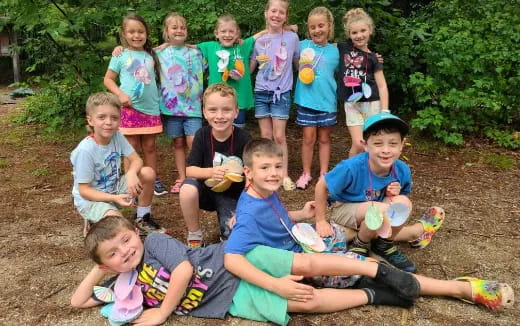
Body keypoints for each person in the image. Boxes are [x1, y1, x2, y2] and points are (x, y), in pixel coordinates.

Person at [222, 138, 514, 324]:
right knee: (370, 265)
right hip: (304, 261)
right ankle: (460, 288)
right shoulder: (247, 214)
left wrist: (301, 214)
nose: (273, 173)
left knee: (348, 226)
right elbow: (231, 258)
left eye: (277, 166)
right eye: (264, 168)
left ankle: (410, 232)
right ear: (248, 172)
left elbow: (275, 219)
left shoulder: (263, 192)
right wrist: (275, 285)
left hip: (305, 239)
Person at [71, 216, 514, 326]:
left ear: (137, 233)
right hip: (228, 300)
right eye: (114, 252)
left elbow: (185, 270)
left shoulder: (156, 245)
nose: (126, 251)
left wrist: (163, 312)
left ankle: (454, 287)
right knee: (304, 302)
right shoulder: (122, 285)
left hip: (233, 262)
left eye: (127, 239)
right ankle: (377, 293)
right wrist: (99, 269)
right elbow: (79, 301)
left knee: (307, 263)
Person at [314, 112, 444, 273]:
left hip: (376, 216)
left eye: (393, 143)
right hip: (345, 210)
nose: (386, 150)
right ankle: (362, 245)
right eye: (378, 143)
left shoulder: (402, 170)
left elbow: (396, 207)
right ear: (365, 145)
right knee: (380, 210)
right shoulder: (351, 167)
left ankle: (384, 245)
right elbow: (321, 186)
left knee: (403, 203)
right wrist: (320, 220)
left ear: (402, 144)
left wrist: (393, 195)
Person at [70, 92, 167, 236]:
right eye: (102, 117)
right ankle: (94, 221)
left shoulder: (117, 136)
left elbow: (136, 159)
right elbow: (84, 191)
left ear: (120, 120)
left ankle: (142, 218)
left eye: (114, 117)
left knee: (148, 173)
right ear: (90, 120)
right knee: (122, 229)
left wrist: (131, 174)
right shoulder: (85, 151)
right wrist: (114, 199)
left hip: (114, 189)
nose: (109, 122)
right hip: (91, 200)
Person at [179, 83, 252, 248]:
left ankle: (227, 234)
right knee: (187, 189)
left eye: (226, 110)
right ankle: (195, 235)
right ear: (204, 112)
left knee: (233, 239)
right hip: (205, 190)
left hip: (232, 194)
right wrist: (211, 172)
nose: (219, 116)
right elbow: (189, 170)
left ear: (236, 112)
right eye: (213, 110)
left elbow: (251, 175)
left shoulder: (244, 138)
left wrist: (245, 207)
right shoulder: (202, 135)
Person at [104, 14, 168, 197]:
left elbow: (172, 46)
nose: (136, 35)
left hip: (151, 109)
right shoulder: (120, 55)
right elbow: (108, 80)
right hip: (130, 110)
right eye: (131, 32)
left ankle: (152, 179)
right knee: (131, 147)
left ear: (146, 33)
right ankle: (130, 181)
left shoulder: (152, 54)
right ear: (124, 34)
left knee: (150, 147)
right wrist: (121, 95)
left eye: (141, 31)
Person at [251, 0, 300, 191]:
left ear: (286, 17)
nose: (276, 15)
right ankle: (267, 174)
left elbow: (299, 64)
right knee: (266, 135)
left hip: (282, 93)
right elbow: (250, 68)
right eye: (273, 11)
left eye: (281, 12)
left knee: (279, 137)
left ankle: (284, 175)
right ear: (266, 13)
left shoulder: (292, 38)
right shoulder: (257, 40)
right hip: (261, 91)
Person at [155, 13, 204, 194]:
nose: (179, 30)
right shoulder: (158, 53)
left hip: (193, 107)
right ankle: (182, 177)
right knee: (177, 143)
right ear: (166, 32)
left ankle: (197, 176)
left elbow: (216, 56)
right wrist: (120, 48)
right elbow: (137, 54)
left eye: (182, 27)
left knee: (194, 142)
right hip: (171, 108)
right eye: (174, 28)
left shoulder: (197, 52)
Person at [293, 7, 339, 190]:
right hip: (306, 100)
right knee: (308, 138)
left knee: (325, 138)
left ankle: (324, 173)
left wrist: (375, 58)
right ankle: (306, 173)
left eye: (321, 26)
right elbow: (282, 36)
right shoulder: (302, 45)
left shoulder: (336, 51)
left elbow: (356, 57)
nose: (317, 30)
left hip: (327, 102)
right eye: (313, 27)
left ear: (329, 27)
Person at [338, 8, 390, 158]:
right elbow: (322, 45)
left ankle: (369, 174)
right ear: (349, 34)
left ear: (370, 31)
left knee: (372, 144)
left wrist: (385, 111)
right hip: (352, 104)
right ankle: (349, 175)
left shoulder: (374, 58)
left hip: (373, 104)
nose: (359, 35)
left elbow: (382, 86)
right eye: (354, 33)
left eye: (363, 31)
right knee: (359, 143)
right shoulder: (343, 48)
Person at [197, 14, 263, 128]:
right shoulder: (210, 47)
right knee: (217, 132)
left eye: (231, 31)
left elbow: (264, 33)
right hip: (216, 101)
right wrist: (163, 46)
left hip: (239, 101)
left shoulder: (243, 46)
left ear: (237, 33)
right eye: (223, 31)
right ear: (216, 33)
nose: (227, 35)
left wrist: (287, 28)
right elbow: (187, 47)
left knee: (236, 134)